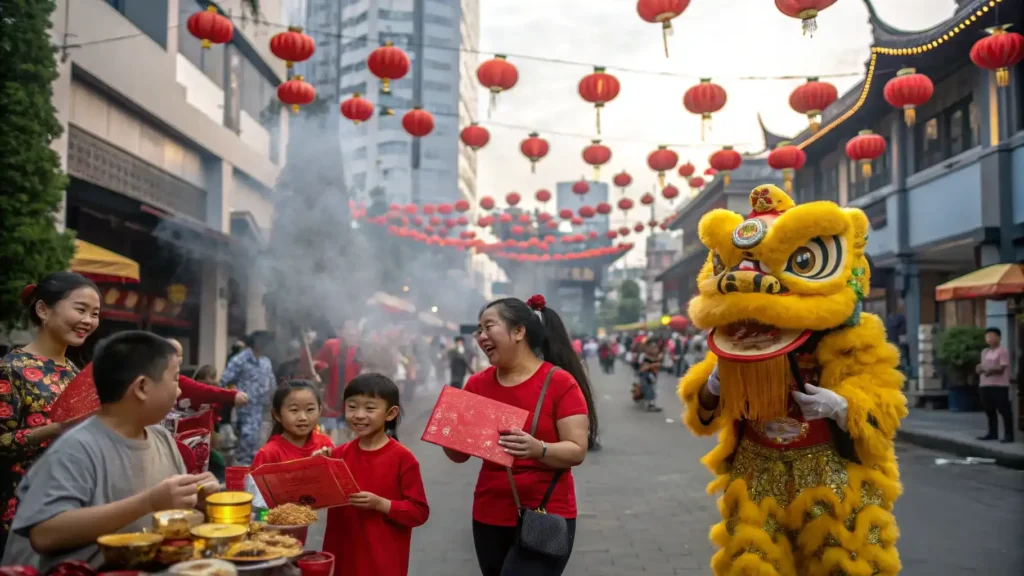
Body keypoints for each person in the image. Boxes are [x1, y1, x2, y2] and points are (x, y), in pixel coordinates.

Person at [678, 184, 906, 575]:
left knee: (843, 562)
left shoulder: (851, 337)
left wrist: (840, 406)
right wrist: (714, 385)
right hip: (755, 470)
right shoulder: (737, 336)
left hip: (830, 470)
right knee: (752, 563)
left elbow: (883, 402)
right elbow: (702, 412)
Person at [1, 331, 220, 570]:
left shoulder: (162, 439)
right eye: (176, 379)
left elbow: (172, 516)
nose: (179, 392)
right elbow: (44, 534)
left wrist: (198, 501)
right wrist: (148, 502)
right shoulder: (77, 447)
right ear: (142, 387)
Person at [446, 294, 596, 576]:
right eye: (479, 330)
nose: (481, 336)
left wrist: (538, 448)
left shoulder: (560, 382)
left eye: (489, 326)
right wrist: (447, 429)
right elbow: (458, 456)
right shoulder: (477, 384)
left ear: (519, 331)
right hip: (489, 513)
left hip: (546, 512)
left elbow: (577, 450)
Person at [0, 272, 100, 550]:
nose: (88, 321)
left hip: (73, 498)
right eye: (80, 310)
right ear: (43, 309)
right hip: (24, 508)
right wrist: (55, 429)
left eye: (95, 313)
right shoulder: (10, 369)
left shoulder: (75, 371)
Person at [323, 373, 429, 576]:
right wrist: (315, 465)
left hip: (382, 562)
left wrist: (382, 504)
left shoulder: (402, 458)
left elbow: (419, 512)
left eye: (370, 408)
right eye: (352, 407)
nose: (359, 415)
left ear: (390, 413)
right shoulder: (338, 455)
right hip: (342, 558)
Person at [221, 331, 275, 465]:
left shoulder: (265, 361)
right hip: (245, 408)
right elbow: (225, 380)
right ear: (255, 341)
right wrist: (234, 396)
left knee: (258, 443)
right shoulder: (240, 359)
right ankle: (240, 471)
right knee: (246, 440)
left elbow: (272, 383)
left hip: (262, 408)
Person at [252, 381, 333, 469]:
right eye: (294, 410)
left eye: (310, 409)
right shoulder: (269, 453)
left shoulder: (325, 445)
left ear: (319, 411)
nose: (303, 417)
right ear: (277, 415)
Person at [315, 320, 364, 444]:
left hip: (351, 401)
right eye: (348, 331)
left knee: (352, 437)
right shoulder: (331, 346)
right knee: (329, 436)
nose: (351, 334)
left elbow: (364, 372)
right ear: (342, 332)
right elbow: (317, 364)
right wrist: (321, 370)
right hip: (331, 399)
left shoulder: (359, 351)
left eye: (354, 332)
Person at [976, 327, 1014, 443]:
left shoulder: (1002, 351)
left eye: (992, 336)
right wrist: (979, 368)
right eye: (987, 336)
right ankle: (992, 433)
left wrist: (989, 370)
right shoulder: (985, 351)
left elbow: (1002, 367)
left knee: (1003, 410)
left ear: (999, 337)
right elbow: (982, 366)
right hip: (985, 384)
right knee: (989, 410)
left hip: (999, 385)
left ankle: (1009, 435)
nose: (989, 339)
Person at [637, 338, 664, 413]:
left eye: (655, 347)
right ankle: (650, 405)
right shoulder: (644, 356)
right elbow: (644, 367)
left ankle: (650, 404)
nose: (655, 349)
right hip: (647, 375)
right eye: (653, 347)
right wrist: (654, 364)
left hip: (652, 374)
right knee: (650, 389)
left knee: (652, 388)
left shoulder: (655, 356)